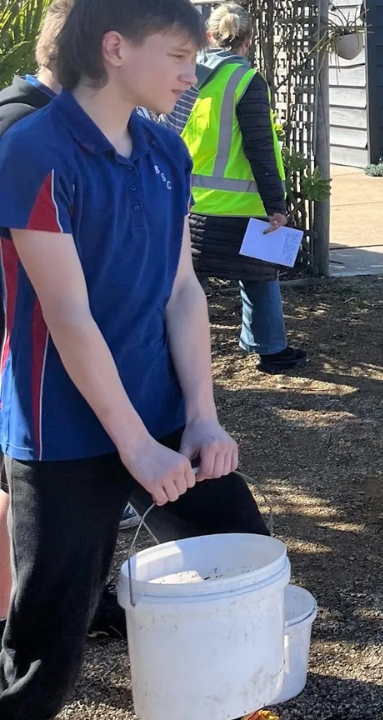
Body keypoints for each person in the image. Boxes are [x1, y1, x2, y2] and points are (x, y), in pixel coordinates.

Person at [0, 0, 270, 715]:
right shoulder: (31, 151)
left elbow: (183, 292)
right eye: (179, 57)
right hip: (63, 436)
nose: (193, 73)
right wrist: (137, 450)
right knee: (44, 663)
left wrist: (203, 420)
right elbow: (70, 318)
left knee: (243, 553)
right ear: (115, 49)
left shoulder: (165, 152)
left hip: (164, 414)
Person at [0, 0, 140, 644]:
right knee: (28, 490)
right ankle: (20, 621)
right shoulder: (25, 130)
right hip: (21, 347)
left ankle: (76, 599)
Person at [169, 2, 306, 375]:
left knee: (184, 286)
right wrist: (276, 204)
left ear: (208, 37)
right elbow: (259, 147)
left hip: (191, 205)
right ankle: (270, 349)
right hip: (241, 205)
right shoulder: (247, 81)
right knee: (261, 276)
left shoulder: (182, 78)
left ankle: (174, 352)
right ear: (247, 41)